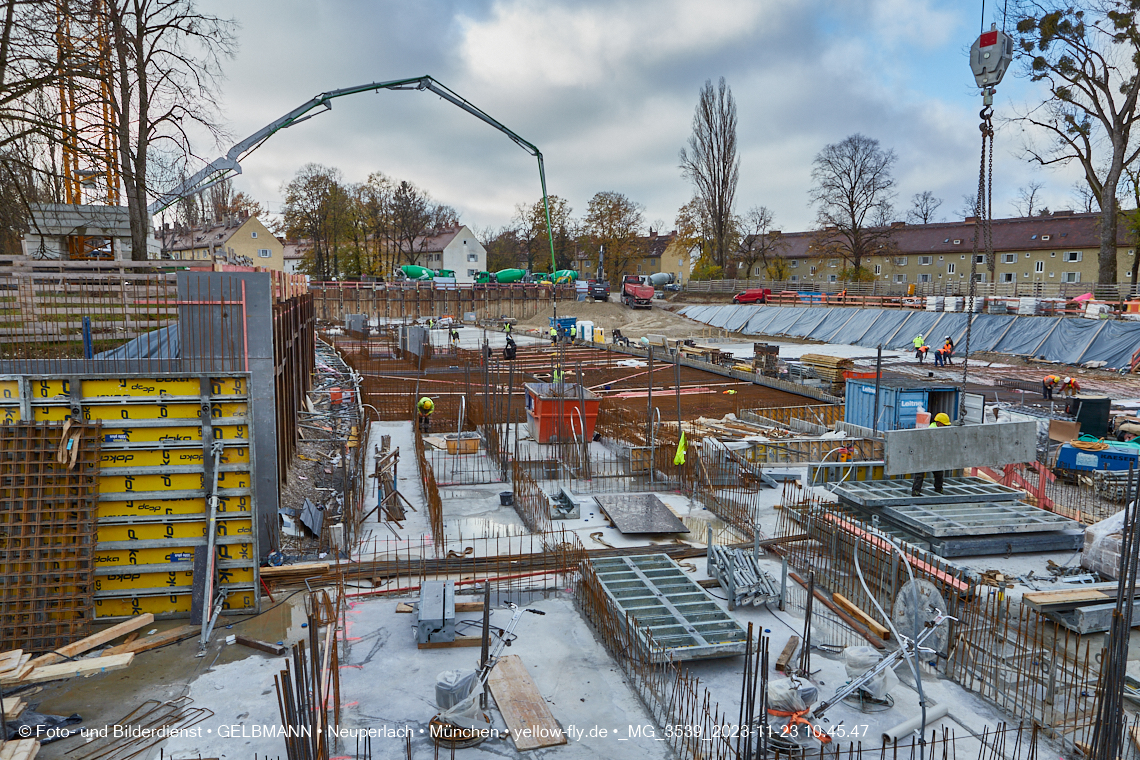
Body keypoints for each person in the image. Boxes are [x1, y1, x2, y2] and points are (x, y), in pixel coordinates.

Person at [911, 412, 951, 496]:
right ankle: (916, 491)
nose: (946, 427)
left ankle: (938, 490)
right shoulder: (933, 429)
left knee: (939, 473)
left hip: (933, 454)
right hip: (925, 454)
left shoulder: (938, 428)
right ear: (939, 423)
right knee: (920, 474)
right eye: (945, 425)